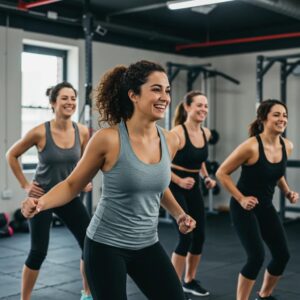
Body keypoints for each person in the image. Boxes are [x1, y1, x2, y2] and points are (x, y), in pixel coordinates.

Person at [20, 60, 197, 300]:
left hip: (147, 243)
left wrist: (179, 214)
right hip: (106, 246)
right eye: (156, 89)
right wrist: (39, 203)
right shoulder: (108, 139)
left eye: (167, 90)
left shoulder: (170, 140)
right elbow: (72, 185)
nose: (164, 97)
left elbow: (156, 184)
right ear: (133, 95)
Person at [6, 82, 93, 300]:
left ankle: (87, 293)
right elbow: (11, 155)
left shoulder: (82, 131)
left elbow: (84, 163)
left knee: (90, 244)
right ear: (53, 103)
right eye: (64, 98)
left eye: (73, 98)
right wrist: (25, 185)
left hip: (69, 196)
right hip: (41, 198)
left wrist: (84, 181)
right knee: (38, 251)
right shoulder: (39, 132)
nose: (70, 102)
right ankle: (24, 298)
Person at [216, 99, 299, 300]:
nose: (282, 119)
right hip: (243, 208)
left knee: (282, 255)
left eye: (285, 115)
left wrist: (288, 191)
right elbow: (222, 173)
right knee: (256, 257)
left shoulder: (287, 146)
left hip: (265, 206)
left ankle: (264, 295)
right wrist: (241, 198)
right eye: (276, 115)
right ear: (263, 119)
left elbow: (276, 172)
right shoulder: (251, 147)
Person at [170, 91, 216, 297]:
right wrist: (179, 180)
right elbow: (160, 165)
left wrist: (206, 177)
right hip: (174, 186)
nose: (203, 109)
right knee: (185, 236)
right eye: (199, 105)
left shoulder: (205, 133)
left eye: (206, 106)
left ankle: (188, 281)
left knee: (200, 237)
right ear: (187, 107)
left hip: (194, 187)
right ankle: (170, 286)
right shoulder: (177, 133)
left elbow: (200, 160)